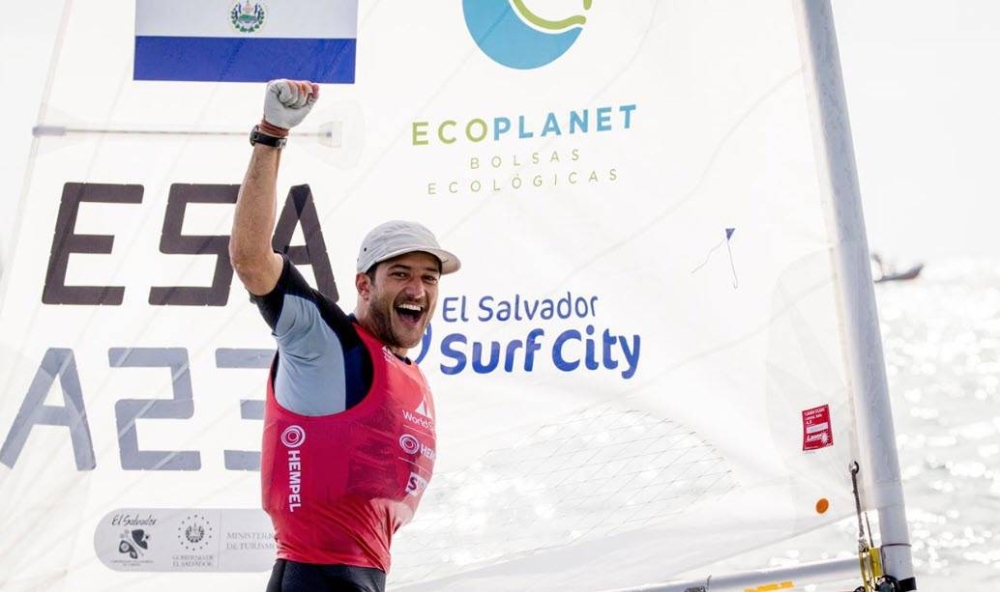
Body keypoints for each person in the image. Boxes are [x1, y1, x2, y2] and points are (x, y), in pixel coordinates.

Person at [229, 79, 460, 592]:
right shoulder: (326, 344)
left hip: (361, 578)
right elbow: (251, 260)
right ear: (364, 285)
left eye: (429, 278)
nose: (417, 289)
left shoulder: (406, 372)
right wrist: (271, 135)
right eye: (400, 274)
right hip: (315, 576)